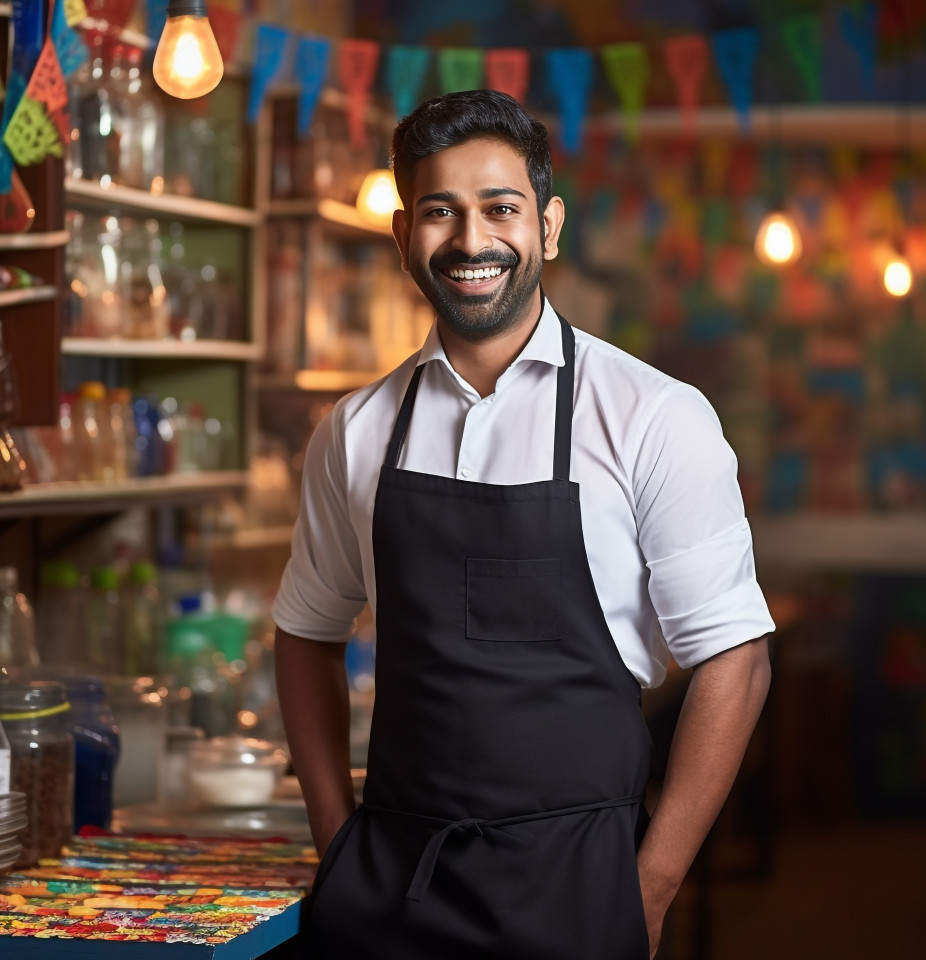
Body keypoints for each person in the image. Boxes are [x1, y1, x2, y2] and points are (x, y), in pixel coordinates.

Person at [273, 89, 775, 960]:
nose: (472, 241)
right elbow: (303, 633)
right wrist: (335, 838)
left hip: (580, 888)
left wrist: (647, 891)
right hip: (391, 884)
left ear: (547, 227)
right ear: (404, 237)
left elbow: (736, 660)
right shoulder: (355, 431)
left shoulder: (654, 417)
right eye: (440, 212)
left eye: (499, 209)